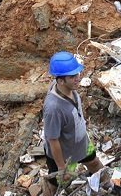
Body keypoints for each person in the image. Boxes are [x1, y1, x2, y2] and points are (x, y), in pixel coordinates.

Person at [43, 52, 104, 190]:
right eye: (72, 76)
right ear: (60, 81)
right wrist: (60, 166)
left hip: (82, 143)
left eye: (77, 74)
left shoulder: (67, 87)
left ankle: (109, 184)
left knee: (94, 162)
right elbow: (53, 140)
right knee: (60, 182)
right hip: (65, 155)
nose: (78, 78)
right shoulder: (53, 108)